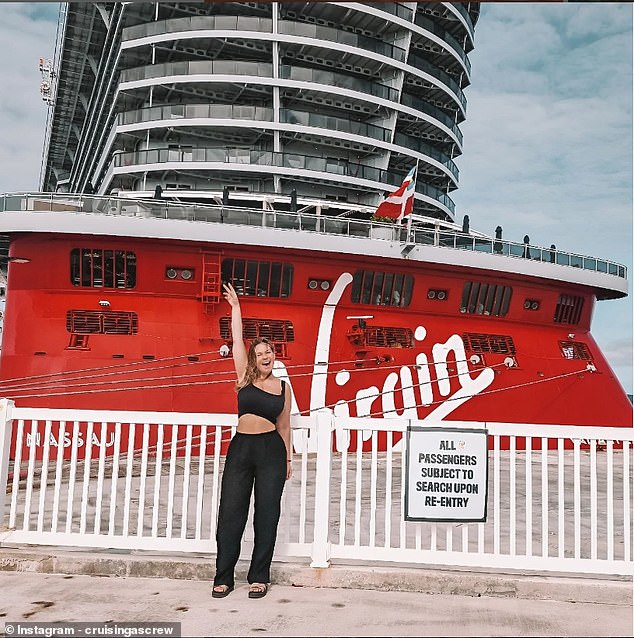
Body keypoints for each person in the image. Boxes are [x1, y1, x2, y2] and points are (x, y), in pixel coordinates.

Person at [212, 282, 292, 600]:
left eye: (268, 352)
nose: (264, 356)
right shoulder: (244, 377)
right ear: (253, 358)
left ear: (274, 355)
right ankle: (224, 577)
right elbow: (236, 339)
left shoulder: (284, 387)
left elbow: (284, 427)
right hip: (242, 447)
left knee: (267, 514)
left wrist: (288, 459)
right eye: (259, 353)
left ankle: (259, 576)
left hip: (272, 450)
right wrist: (236, 308)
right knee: (231, 511)